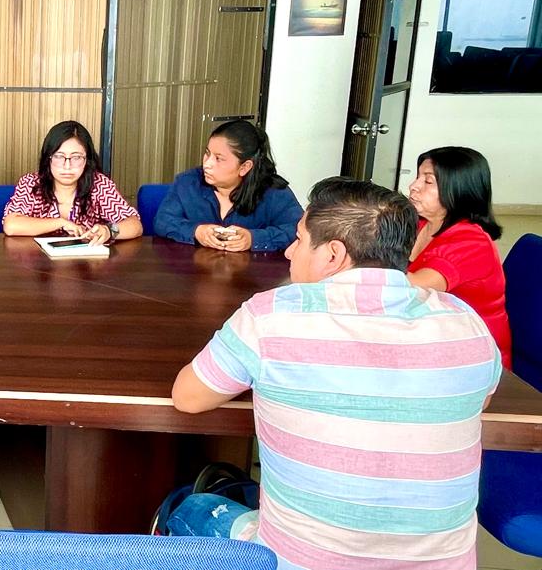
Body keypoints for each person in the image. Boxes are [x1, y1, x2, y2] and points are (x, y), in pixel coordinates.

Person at [170, 177, 501, 570]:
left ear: (332, 254)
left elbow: (188, 398)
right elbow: (479, 401)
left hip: (302, 563)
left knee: (193, 508)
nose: (290, 251)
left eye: (299, 240)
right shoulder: (466, 322)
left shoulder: (272, 316)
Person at [407, 146, 512, 368]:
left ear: (458, 189)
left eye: (428, 181)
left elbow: (411, 288)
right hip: (433, 335)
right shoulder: (421, 224)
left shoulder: (472, 242)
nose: (413, 186)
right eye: (417, 177)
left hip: (474, 359)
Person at [155, 120, 303, 252]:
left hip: (253, 272)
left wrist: (253, 239)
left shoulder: (274, 192)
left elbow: (298, 229)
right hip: (196, 270)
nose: (207, 164)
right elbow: (162, 220)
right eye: (207, 154)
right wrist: (196, 231)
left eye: (218, 159)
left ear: (244, 167)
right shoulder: (188, 182)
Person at [2, 120, 142, 244]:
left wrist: (109, 231)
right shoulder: (31, 183)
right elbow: (11, 225)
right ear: (48, 158)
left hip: (86, 262)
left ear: (87, 160)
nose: (67, 166)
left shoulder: (99, 185)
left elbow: (135, 225)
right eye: (59, 156)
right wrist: (61, 223)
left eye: (76, 157)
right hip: (39, 261)